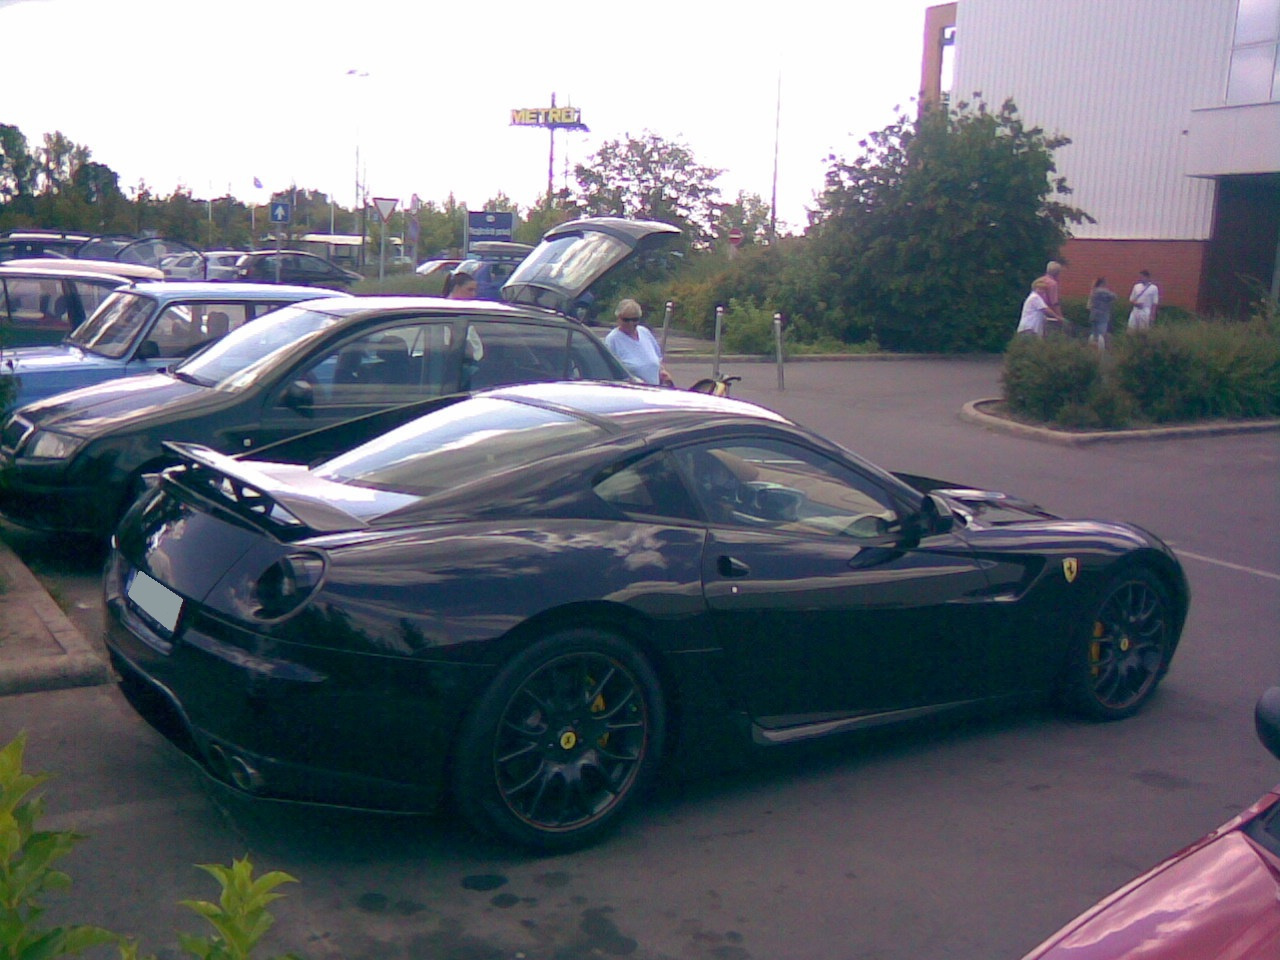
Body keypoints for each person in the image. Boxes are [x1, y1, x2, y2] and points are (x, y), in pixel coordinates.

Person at [604, 298, 673, 386]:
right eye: (626, 320)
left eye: (634, 319)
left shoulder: (644, 332)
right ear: (618, 318)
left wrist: (662, 372)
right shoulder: (612, 339)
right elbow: (611, 371)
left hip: (654, 389)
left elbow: (657, 358)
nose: (630, 323)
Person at [1036, 261, 1066, 333]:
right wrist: (1060, 316)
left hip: (1036, 311)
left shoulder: (1039, 280)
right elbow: (1054, 302)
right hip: (1048, 313)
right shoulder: (1053, 284)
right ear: (1057, 273)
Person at [1086, 277, 1116, 349]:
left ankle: (1092, 348)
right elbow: (1114, 296)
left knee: (1094, 334)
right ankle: (1101, 350)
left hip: (1093, 314)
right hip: (1103, 315)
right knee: (1101, 334)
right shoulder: (1104, 291)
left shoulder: (1093, 291)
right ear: (1102, 283)